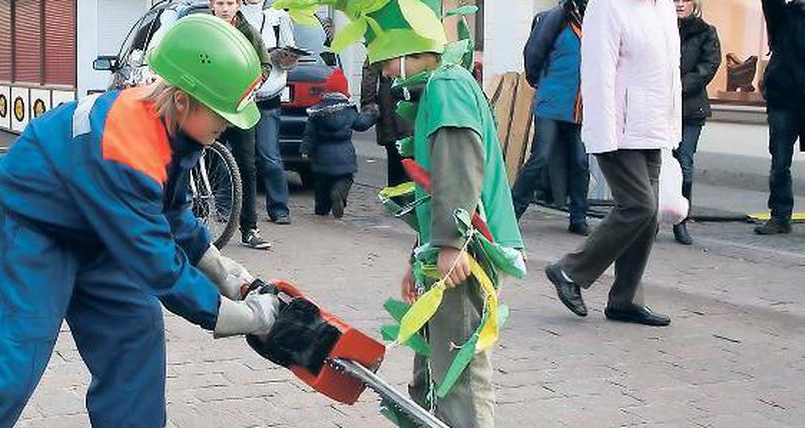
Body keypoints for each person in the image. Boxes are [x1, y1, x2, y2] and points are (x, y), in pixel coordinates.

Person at [0, 16, 280, 427]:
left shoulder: (175, 126)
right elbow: (159, 266)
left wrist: (227, 273)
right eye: (222, 114)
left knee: (134, 343)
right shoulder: (126, 146)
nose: (229, 124)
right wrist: (246, 318)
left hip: (99, 231)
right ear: (183, 99)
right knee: (9, 374)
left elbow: (170, 211)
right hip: (30, 234)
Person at [276, 0, 524, 425]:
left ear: (410, 50)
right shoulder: (441, 87)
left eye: (387, 61)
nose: (385, 73)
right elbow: (435, 189)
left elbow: (459, 170)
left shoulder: (447, 87)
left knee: (458, 365)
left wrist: (449, 245)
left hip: (467, 251)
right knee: (436, 358)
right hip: (452, 250)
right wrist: (422, 253)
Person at [545, 0, 680, 327]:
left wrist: (671, 126)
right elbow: (597, 72)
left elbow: (670, 72)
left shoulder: (662, 8)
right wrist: (602, 135)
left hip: (652, 127)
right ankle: (569, 269)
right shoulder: (607, 7)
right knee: (639, 207)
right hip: (618, 128)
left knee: (648, 217)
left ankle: (625, 299)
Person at [514, 0, 591, 236]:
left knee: (580, 161)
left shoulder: (595, 20)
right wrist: (537, 80)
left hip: (578, 106)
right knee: (540, 157)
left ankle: (578, 218)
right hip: (551, 102)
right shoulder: (556, 18)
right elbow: (534, 52)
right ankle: (511, 212)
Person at [210, 0, 274, 249]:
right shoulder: (205, 30)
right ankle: (193, 223)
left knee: (247, 167)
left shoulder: (249, 32)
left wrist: (253, 85)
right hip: (210, 108)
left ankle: (250, 229)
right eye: (220, 3)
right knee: (202, 161)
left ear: (238, 6)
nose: (225, 8)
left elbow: (265, 65)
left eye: (230, 3)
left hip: (240, 109)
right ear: (212, 5)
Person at [244, 0, 296, 225]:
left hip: (268, 95)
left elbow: (291, 58)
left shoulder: (278, 16)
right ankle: (227, 206)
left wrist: (283, 58)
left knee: (270, 155)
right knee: (236, 157)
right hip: (241, 95)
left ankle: (279, 208)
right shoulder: (235, 12)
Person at [755, 0, 805, 235]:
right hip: (783, 101)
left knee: (780, 163)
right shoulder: (783, 15)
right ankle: (780, 216)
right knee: (780, 163)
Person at [673, 0, 721, 244]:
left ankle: (681, 220)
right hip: (661, 108)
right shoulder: (661, 27)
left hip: (691, 108)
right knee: (657, 164)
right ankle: (650, 219)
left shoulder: (706, 32)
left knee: (684, 161)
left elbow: (708, 66)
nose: (679, 4)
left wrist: (677, 87)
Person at [300, 79, 378, 218]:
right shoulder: (348, 110)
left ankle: (321, 209)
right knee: (345, 178)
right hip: (344, 154)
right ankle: (339, 193)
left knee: (321, 185)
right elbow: (361, 124)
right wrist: (372, 114)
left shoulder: (317, 112)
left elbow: (309, 134)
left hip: (321, 155)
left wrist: (305, 150)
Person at [361, 61, 411, 187]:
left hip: (389, 102)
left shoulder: (380, 46)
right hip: (410, 102)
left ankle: (396, 200)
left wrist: (369, 104)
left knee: (394, 159)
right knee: (413, 161)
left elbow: (369, 78)